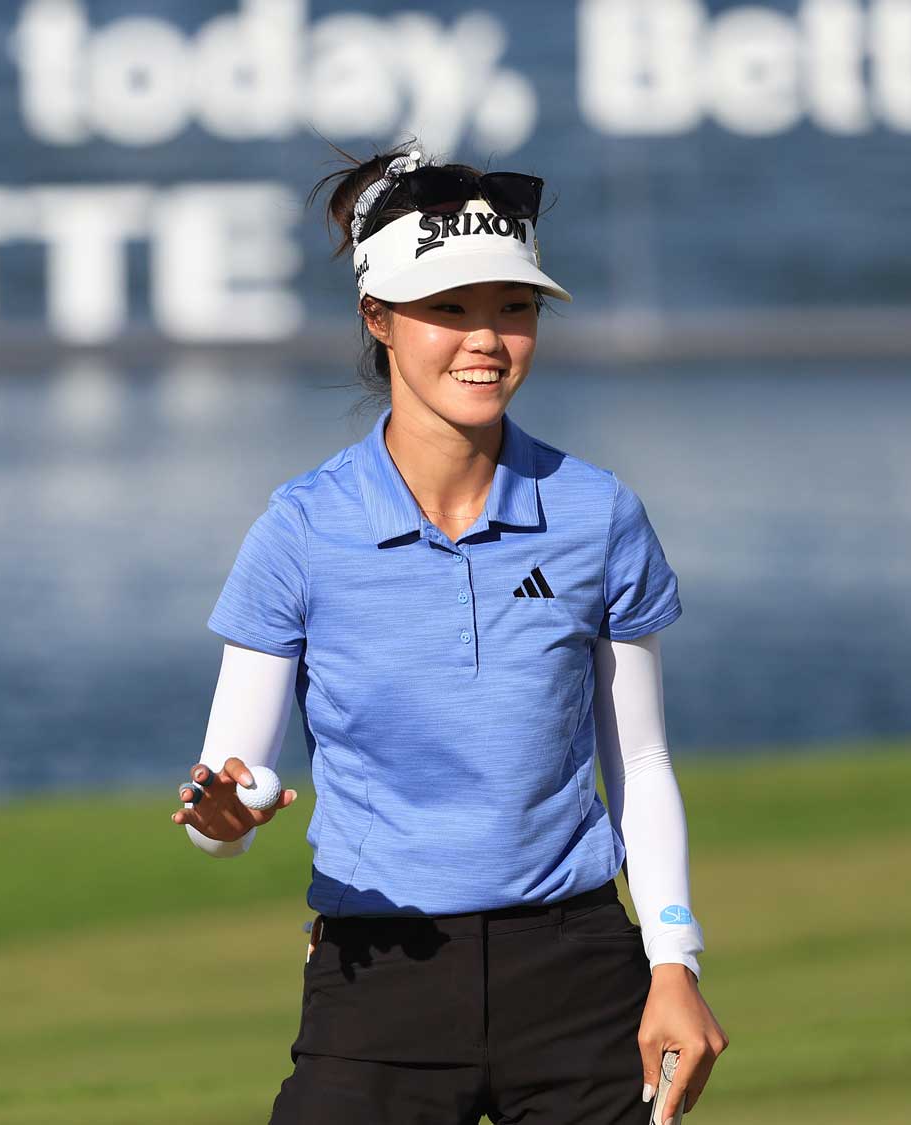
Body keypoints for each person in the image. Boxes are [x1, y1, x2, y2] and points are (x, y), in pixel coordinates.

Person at [168, 141, 730, 1124]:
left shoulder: (596, 515)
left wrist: (672, 959)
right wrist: (224, 821)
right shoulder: (299, 530)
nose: (485, 340)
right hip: (377, 979)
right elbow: (232, 781)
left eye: (511, 308)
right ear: (376, 318)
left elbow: (635, 761)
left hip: (575, 976)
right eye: (448, 309)